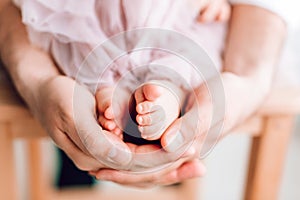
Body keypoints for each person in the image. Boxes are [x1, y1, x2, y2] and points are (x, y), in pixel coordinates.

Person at [0, 0, 287, 187]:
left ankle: (159, 98)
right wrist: (40, 83)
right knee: (91, 59)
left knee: (173, 61)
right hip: (97, 18)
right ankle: (116, 99)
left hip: (171, 17)